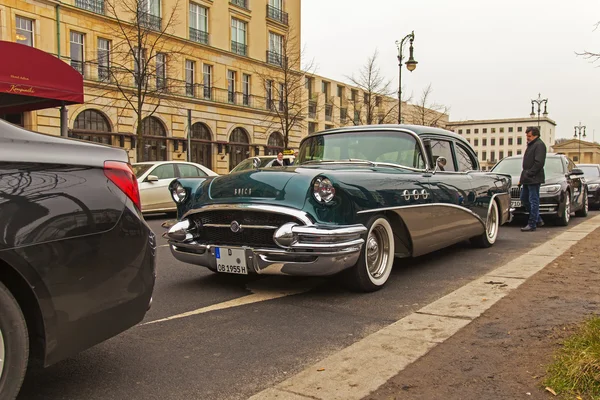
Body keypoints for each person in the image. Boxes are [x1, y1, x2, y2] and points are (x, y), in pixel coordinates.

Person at [519, 126, 546, 232]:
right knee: (524, 198)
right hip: (527, 177)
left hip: (533, 178)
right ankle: (537, 219)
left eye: (529, 136)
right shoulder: (531, 145)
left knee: (533, 200)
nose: (527, 138)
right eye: (527, 135)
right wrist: (523, 178)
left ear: (535, 135)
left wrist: (530, 174)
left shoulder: (539, 145)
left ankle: (532, 223)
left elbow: (539, 163)